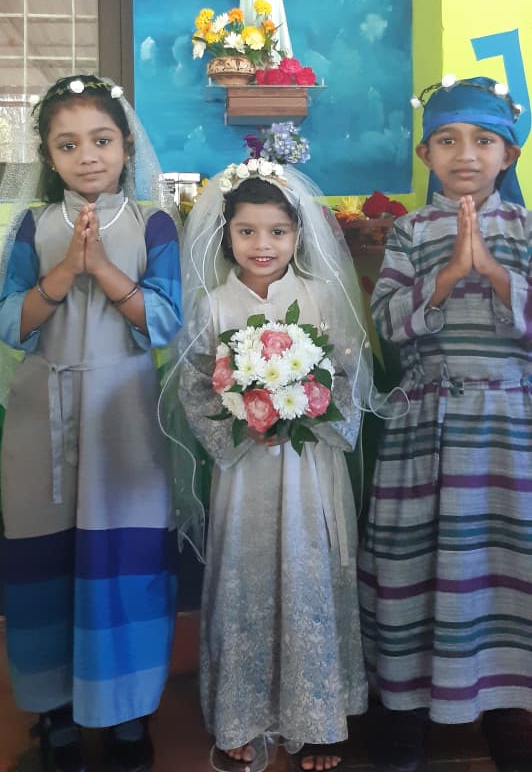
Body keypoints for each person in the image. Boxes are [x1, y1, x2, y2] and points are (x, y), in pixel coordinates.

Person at [0, 74, 182, 772]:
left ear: (126, 144)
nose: (88, 157)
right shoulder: (32, 226)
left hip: (124, 410)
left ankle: (128, 713)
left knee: (124, 561)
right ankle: (55, 714)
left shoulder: (152, 224)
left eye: (101, 140)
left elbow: (164, 320)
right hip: (41, 412)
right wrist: (60, 274)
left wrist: (100, 267)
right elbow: (11, 323)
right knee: (42, 561)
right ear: (49, 155)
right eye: (68, 144)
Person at [167, 158, 372, 772]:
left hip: (310, 467)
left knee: (309, 570)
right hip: (245, 470)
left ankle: (317, 719)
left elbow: (350, 377)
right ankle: (243, 715)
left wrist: (306, 408)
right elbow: (195, 387)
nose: (263, 244)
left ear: (298, 234)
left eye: (278, 231)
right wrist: (242, 422)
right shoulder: (211, 306)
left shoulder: (322, 297)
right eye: (247, 231)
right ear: (225, 233)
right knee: (247, 572)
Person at [358, 76, 531, 772]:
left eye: (484, 141)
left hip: (509, 430)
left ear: (508, 155)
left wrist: (493, 271)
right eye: (449, 140)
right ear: (426, 153)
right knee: (414, 562)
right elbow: (387, 323)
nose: (466, 154)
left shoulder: (525, 231)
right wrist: (447, 276)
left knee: (502, 565)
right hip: (424, 426)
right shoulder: (409, 231)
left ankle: (507, 713)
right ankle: (403, 717)